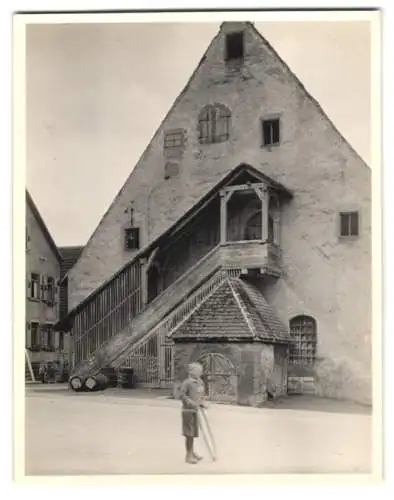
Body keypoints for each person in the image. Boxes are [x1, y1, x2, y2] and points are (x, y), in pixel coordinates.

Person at [179, 362, 207, 464]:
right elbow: (182, 396)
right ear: (191, 372)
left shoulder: (200, 382)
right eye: (198, 370)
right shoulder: (187, 383)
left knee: (193, 433)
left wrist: (202, 403)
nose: (201, 372)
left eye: (201, 371)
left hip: (196, 411)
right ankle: (188, 455)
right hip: (188, 411)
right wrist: (192, 403)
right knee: (189, 434)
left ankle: (192, 452)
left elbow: (200, 396)